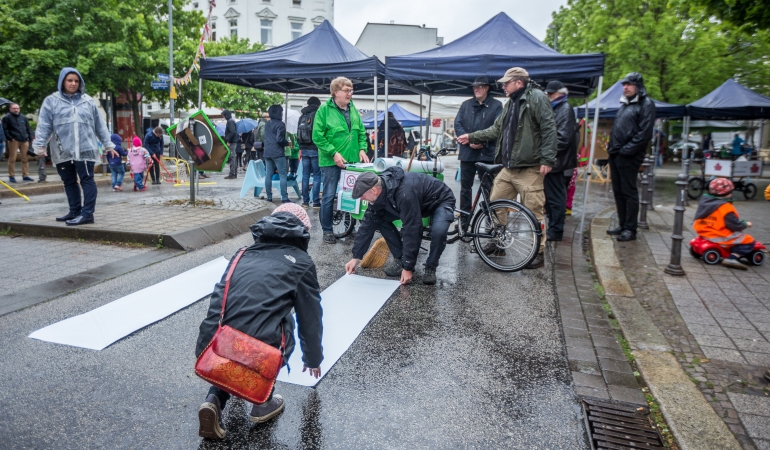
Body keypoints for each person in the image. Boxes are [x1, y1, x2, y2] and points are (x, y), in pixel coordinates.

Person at [195, 203, 323, 440]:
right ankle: (262, 402)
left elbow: (220, 297)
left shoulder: (242, 253)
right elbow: (310, 316)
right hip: (256, 350)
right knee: (285, 320)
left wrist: (208, 338)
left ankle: (214, 399)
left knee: (240, 329)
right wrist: (313, 358)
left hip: (214, 342)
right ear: (303, 231)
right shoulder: (302, 262)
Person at [457, 67, 557, 269]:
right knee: (495, 204)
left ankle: (538, 253)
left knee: (534, 211)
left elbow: (549, 129)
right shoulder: (510, 103)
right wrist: (472, 136)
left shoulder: (537, 98)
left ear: (518, 82)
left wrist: (547, 159)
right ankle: (498, 242)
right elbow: (496, 129)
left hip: (530, 168)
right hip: (509, 167)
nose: (503, 86)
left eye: (506, 83)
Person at [33, 68, 116, 225]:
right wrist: (40, 145)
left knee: (87, 179)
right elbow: (44, 125)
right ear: (62, 82)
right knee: (69, 181)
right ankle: (74, 211)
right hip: (62, 150)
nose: (73, 83)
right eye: (69, 80)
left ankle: (87, 214)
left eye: (76, 81)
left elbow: (100, 125)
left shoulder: (88, 101)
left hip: (85, 149)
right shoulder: (52, 101)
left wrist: (108, 145)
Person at [344, 168, 456, 285]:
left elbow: (412, 229)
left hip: (440, 200)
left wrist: (408, 267)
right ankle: (400, 257)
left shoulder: (404, 194)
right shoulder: (380, 193)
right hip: (418, 202)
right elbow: (367, 225)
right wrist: (355, 257)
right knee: (377, 219)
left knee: (439, 231)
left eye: (362, 195)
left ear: (374, 190)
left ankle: (431, 266)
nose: (361, 198)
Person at [313, 76, 370, 244]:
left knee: (353, 194)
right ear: (335, 92)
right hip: (331, 161)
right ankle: (327, 230)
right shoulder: (324, 110)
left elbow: (361, 132)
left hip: (352, 161)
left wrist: (362, 148)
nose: (350, 94)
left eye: (351, 90)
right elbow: (317, 136)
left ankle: (349, 227)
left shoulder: (353, 108)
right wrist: (333, 153)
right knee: (329, 195)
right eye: (346, 91)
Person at [605, 72, 656, 242]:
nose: (625, 87)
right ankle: (623, 224)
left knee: (628, 191)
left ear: (638, 86)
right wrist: (612, 149)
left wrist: (626, 150)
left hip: (629, 155)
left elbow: (644, 133)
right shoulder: (625, 105)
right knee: (619, 192)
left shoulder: (646, 104)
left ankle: (630, 228)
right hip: (617, 154)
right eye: (624, 84)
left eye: (629, 84)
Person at [454, 76, 504, 230]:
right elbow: (458, 124)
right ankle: (464, 222)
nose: (476, 89)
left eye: (480, 86)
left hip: (487, 154)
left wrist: (482, 141)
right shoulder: (466, 105)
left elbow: (498, 128)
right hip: (467, 153)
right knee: (465, 189)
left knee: (489, 189)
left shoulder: (497, 106)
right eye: (474, 87)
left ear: (487, 88)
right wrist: (469, 140)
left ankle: (490, 221)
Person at [693, 178, 756, 270]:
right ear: (726, 194)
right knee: (748, 240)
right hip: (718, 235)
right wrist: (745, 224)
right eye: (731, 192)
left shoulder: (704, 201)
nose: (731, 194)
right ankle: (733, 257)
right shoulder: (725, 207)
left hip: (703, 231)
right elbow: (735, 225)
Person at [543, 81, 578, 242]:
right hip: (554, 160)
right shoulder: (557, 107)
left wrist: (546, 153)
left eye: (552, 93)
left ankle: (556, 230)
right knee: (551, 198)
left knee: (556, 198)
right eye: (548, 93)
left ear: (561, 93)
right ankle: (553, 228)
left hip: (557, 162)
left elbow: (563, 138)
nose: (549, 95)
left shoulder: (564, 109)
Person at [297, 97, 322, 209]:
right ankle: (316, 202)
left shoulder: (302, 116)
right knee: (317, 176)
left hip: (304, 149)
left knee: (305, 175)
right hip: (315, 148)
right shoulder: (318, 115)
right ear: (318, 105)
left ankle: (305, 202)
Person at [263, 104, 291, 203]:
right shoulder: (281, 124)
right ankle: (284, 197)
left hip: (267, 151)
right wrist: (287, 143)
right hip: (278, 152)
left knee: (268, 175)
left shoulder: (267, 124)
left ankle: (269, 197)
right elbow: (279, 140)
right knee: (283, 174)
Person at [2, 103, 34, 182]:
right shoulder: (6, 117)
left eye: (17, 108)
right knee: (12, 158)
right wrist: (10, 138)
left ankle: (25, 175)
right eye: (14, 108)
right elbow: (5, 129)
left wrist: (30, 138)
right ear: (10, 109)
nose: (16, 110)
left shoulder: (23, 117)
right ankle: (11, 176)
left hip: (24, 140)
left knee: (25, 158)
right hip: (14, 140)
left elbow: (28, 128)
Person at [223, 110, 239, 179]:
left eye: (224, 116)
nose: (223, 117)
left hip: (231, 142)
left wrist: (228, 140)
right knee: (233, 157)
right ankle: (234, 173)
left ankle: (232, 173)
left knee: (232, 157)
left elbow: (232, 132)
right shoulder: (231, 121)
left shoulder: (230, 121)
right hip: (233, 141)